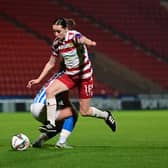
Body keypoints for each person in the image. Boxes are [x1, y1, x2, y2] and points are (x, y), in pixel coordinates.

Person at [27, 17, 116, 134]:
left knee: (85, 112)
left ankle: (106, 115)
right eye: (54, 31)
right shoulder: (56, 43)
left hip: (84, 77)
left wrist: (90, 42)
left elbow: (82, 39)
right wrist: (38, 79)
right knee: (50, 91)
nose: (56, 34)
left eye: (58, 31)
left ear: (66, 29)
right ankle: (51, 124)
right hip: (70, 76)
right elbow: (51, 63)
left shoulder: (73, 36)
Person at [31, 71, 78, 148]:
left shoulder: (56, 75)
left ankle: (41, 140)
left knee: (60, 124)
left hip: (34, 106)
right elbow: (65, 99)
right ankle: (61, 142)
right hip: (43, 108)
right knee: (73, 114)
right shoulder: (66, 78)